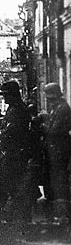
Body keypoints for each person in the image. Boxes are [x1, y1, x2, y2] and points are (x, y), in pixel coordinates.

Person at [0, 80, 32, 221]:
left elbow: (13, 131)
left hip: (16, 154)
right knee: (13, 187)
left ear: (13, 95)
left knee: (15, 188)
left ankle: (21, 222)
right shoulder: (14, 108)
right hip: (13, 153)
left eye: (6, 95)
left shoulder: (18, 109)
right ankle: (18, 221)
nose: (4, 98)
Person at [41, 82, 71, 222]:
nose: (47, 99)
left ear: (53, 95)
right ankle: (58, 213)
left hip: (59, 150)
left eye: (48, 96)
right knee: (54, 181)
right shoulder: (57, 107)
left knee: (59, 182)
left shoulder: (62, 108)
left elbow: (55, 130)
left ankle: (62, 215)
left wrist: (42, 125)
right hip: (54, 150)